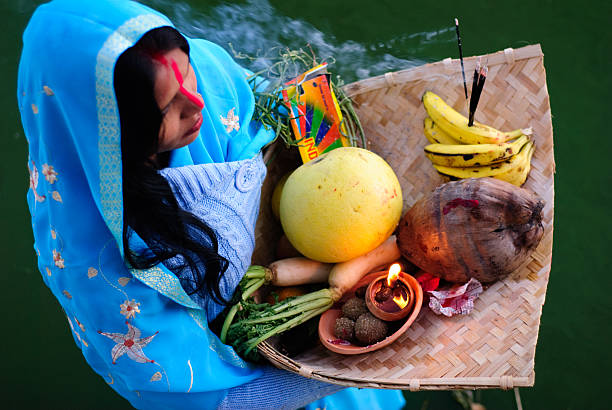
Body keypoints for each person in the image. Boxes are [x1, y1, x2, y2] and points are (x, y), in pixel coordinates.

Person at [18, 0, 407, 409]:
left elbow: (258, 106)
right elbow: (212, 401)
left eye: (188, 73)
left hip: (300, 310)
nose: (198, 103)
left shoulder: (205, 74)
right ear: (115, 133)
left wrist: (317, 120)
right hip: (249, 367)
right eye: (168, 106)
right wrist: (346, 368)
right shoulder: (96, 269)